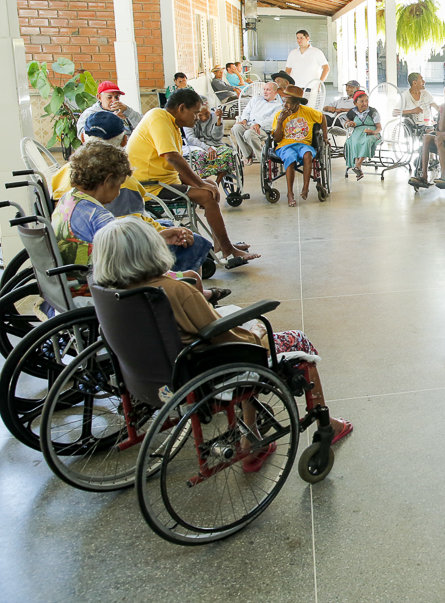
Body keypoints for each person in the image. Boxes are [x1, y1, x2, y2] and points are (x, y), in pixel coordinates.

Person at [92, 217, 352, 465]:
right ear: (149, 249)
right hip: (206, 370)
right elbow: (220, 334)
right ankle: (326, 424)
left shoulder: (112, 295)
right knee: (294, 340)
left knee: (239, 330)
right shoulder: (173, 290)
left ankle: (253, 438)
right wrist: (256, 335)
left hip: (153, 377)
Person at [50, 119, 216, 281]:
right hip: (98, 287)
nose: (118, 193)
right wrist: (175, 277)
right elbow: (132, 264)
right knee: (191, 279)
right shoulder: (99, 217)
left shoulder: (69, 198)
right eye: (118, 186)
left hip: (76, 278)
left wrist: (159, 236)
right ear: (107, 180)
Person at [127, 88, 258, 266]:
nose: (197, 118)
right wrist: (200, 184)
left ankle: (220, 243)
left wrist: (203, 182)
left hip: (164, 181)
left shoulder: (170, 123)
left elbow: (174, 164)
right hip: (150, 186)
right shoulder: (158, 117)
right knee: (206, 195)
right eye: (195, 113)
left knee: (210, 187)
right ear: (182, 108)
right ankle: (227, 249)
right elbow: (172, 157)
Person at [271, 84, 325, 207]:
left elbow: (323, 118)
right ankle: (290, 194)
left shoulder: (308, 112)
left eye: (288, 103)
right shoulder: (278, 115)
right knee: (290, 157)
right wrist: (280, 122)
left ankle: (305, 188)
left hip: (303, 144)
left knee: (307, 154)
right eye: (284, 102)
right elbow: (277, 138)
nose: (285, 105)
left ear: (297, 104)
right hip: (285, 145)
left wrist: (326, 138)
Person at [181, 101, 237, 187]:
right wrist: (207, 148)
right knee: (201, 155)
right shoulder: (188, 119)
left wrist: (219, 120)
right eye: (200, 115)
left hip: (215, 144)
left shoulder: (215, 116)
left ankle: (217, 183)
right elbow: (191, 138)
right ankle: (202, 182)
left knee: (228, 152)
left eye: (207, 113)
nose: (204, 117)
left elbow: (217, 138)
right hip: (196, 146)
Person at [231, 81, 283, 165]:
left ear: (275, 92)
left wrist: (259, 124)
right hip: (249, 124)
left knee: (249, 134)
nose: (265, 92)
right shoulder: (256, 99)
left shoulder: (278, 106)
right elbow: (246, 111)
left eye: (268, 90)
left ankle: (262, 158)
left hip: (264, 129)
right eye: (264, 89)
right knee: (236, 128)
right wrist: (244, 119)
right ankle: (248, 155)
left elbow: (272, 119)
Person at [343, 90, 382, 180]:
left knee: (367, 141)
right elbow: (346, 124)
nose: (365, 103)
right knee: (352, 141)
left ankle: (358, 165)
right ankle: (358, 168)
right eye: (362, 101)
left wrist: (373, 132)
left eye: (366, 101)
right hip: (357, 133)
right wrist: (349, 124)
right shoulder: (352, 112)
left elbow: (379, 128)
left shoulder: (372, 111)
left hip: (372, 133)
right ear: (355, 103)